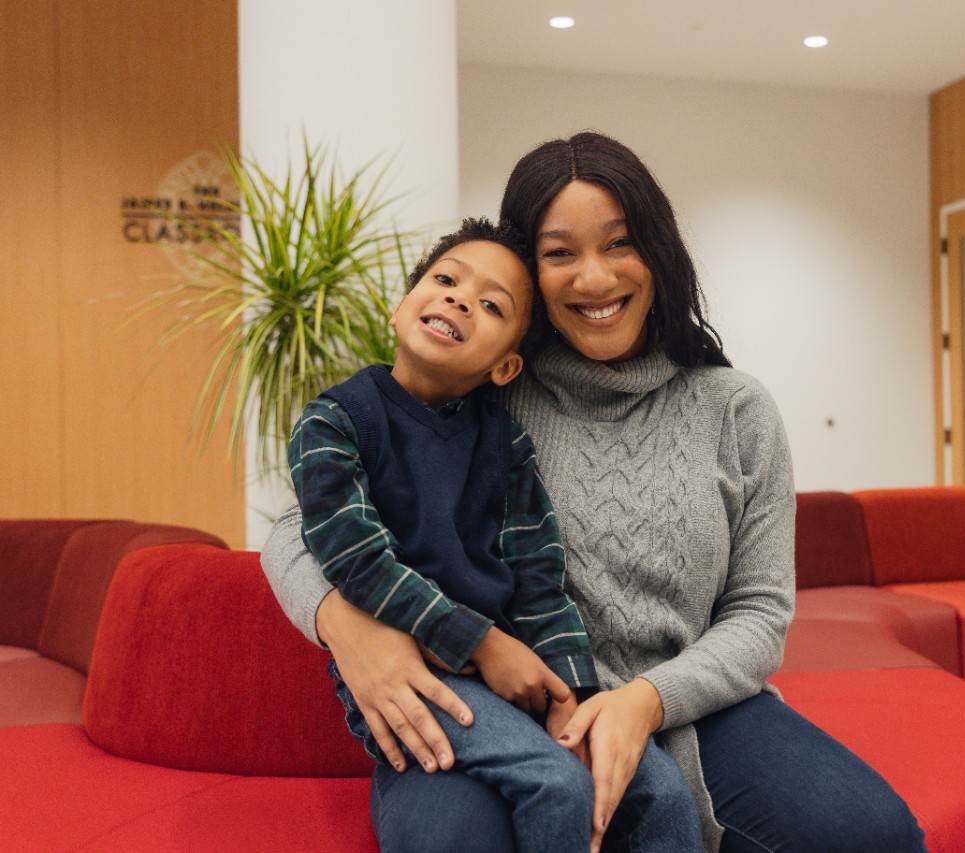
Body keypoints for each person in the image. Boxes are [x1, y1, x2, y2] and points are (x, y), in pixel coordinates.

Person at [264, 132, 927, 853]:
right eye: (559, 253)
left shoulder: (735, 409)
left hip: (693, 707)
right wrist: (351, 628)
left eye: (619, 243)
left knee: (875, 835)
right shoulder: (488, 391)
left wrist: (645, 701)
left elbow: (760, 613)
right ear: (529, 273)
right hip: (505, 705)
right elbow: (296, 526)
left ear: (658, 250)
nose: (594, 278)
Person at [286, 216, 700, 853]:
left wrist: (570, 690)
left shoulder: (505, 443)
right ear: (401, 307)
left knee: (661, 788)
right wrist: (481, 643)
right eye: (446, 280)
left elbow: (539, 582)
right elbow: (356, 560)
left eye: (489, 305)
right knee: (557, 785)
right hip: (415, 675)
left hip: (508, 674)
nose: (458, 298)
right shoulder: (336, 420)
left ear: (507, 366)